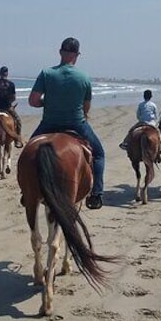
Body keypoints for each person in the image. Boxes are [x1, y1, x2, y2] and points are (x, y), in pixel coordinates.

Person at [28, 37, 106, 210]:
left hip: (49, 124)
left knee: (28, 152)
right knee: (99, 154)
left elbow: (33, 101)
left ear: (60, 52)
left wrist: (46, 103)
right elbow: (86, 108)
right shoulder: (84, 77)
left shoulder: (46, 73)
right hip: (77, 124)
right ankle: (96, 194)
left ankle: (27, 191)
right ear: (77, 55)